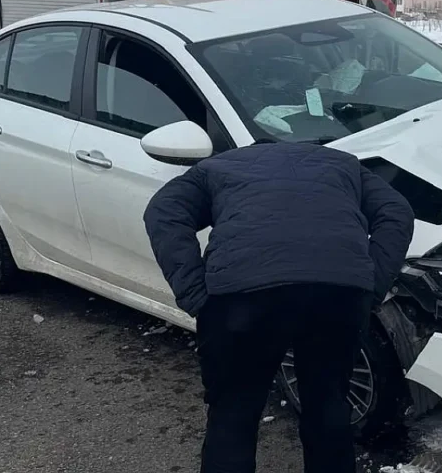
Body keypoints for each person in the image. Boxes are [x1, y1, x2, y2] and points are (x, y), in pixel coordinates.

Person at [142, 141, 415, 473]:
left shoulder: (216, 167)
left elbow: (163, 211)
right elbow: (397, 212)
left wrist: (196, 294)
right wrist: (370, 286)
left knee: (233, 411)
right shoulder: (343, 163)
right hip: (336, 293)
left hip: (242, 297)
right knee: (328, 404)